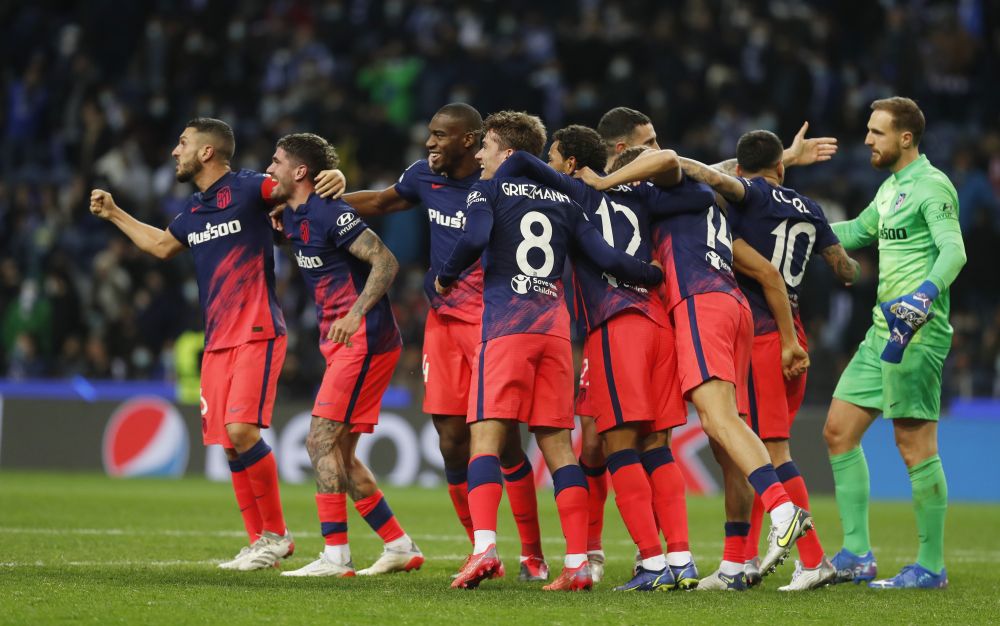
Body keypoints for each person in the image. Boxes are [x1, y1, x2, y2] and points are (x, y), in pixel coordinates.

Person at [88, 118, 339, 570]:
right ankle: (259, 543)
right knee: (228, 442)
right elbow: (162, 246)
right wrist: (114, 213)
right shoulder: (194, 211)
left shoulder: (248, 188)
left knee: (243, 432)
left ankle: (278, 535)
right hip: (218, 339)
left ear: (207, 152)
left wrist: (333, 179)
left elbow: (292, 187)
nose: (174, 152)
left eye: (182, 143)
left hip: (257, 329)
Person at [315, 104, 548, 581]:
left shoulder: (505, 182)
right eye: (430, 135)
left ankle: (532, 553)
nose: (430, 143)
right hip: (442, 324)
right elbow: (382, 202)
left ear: (470, 141)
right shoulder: (425, 176)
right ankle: (480, 552)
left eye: (441, 136)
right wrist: (321, 203)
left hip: (494, 322)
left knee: (505, 444)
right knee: (450, 442)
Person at [435, 111, 665, 591]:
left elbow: (475, 238)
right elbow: (604, 257)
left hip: (506, 327)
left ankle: (483, 549)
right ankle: (577, 562)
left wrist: (446, 274)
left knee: (485, 437)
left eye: (487, 146)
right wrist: (651, 274)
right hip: (556, 333)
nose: (479, 155)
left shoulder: (489, 188)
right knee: (559, 447)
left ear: (507, 151)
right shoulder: (564, 197)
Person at [577, 145, 813, 591]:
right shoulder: (702, 198)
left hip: (700, 304)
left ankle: (782, 508)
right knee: (729, 438)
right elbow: (720, 173)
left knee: (718, 420)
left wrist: (603, 182)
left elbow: (667, 159)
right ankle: (734, 564)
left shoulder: (668, 184)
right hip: (734, 306)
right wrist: (788, 156)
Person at [494, 124, 710, 591]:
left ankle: (651, 563)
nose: (550, 166)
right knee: (657, 446)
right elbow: (699, 194)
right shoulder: (642, 195)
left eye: (555, 158)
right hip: (660, 326)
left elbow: (518, 162)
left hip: (616, 326)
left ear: (571, 163)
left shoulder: (575, 192)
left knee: (619, 447)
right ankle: (682, 559)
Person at [679, 128, 860, 590]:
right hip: (793, 328)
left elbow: (706, 176)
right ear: (782, 167)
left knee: (773, 452)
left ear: (741, 170)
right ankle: (736, 565)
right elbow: (845, 268)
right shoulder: (811, 209)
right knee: (756, 449)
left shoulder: (747, 192)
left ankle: (814, 559)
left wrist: (670, 161)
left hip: (767, 334)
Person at [822, 97, 966, 589]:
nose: (867, 140)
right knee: (838, 431)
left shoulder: (932, 186)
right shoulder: (889, 191)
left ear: (905, 138)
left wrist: (924, 296)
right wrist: (799, 225)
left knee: (914, 446)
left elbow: (954, 249)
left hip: (917, 334)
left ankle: (930, 566)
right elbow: (856, 232)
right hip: (880, 330)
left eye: (877, 132)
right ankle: (857, 555)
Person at [266, 133, 423, 578]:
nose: (269, 168)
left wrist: (355, 314)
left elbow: (386, 262)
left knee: (318, 442)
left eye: (276, 161)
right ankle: (399, 545)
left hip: (363, 339)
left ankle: (336, 556)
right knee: (341, 455)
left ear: (300, 172)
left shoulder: (331, 212)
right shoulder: (292, 215)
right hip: (340, 340)